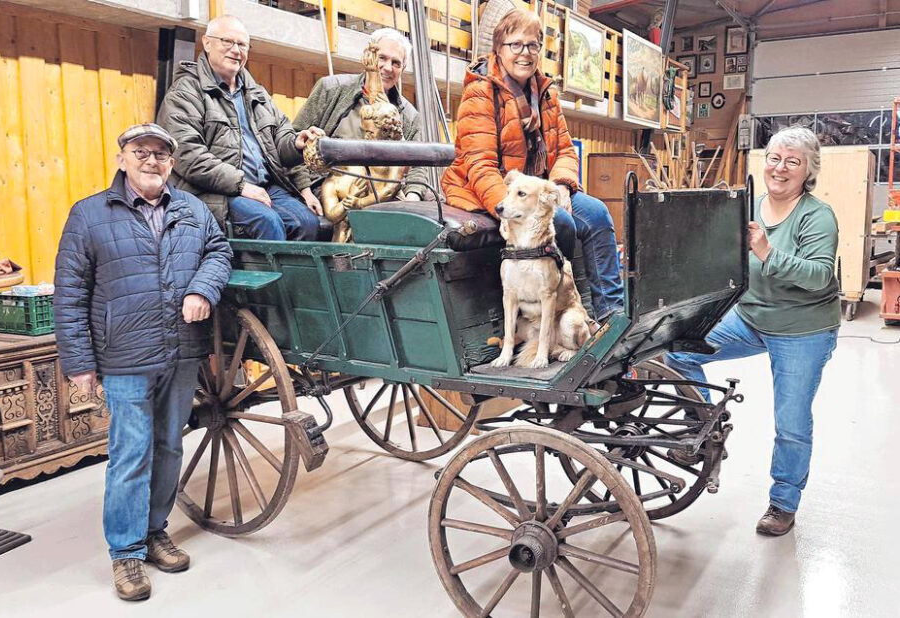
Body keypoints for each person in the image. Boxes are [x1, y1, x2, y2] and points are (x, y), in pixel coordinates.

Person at [54, 123, 232, 601]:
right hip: (124, 355)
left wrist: (202, 288)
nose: (151, 161)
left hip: (180, 350)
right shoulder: (89, 215)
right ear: (122, 159)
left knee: (170, 446)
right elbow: (70, 295)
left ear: (171, 163)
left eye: (160, 154)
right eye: (141, 152)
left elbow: (219, 252)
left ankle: (155, 531)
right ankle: (126, 554)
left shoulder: (192, 210)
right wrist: (79, 363)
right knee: (132, 454)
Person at [665, 126, 839, 537]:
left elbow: (819, 277)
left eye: (792, 162)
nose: (780, 168)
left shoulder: (817, 216)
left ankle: (783, 503)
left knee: (791, 421)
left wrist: (766, 251)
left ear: (807, 170)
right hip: (751, 318)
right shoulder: (752, 206)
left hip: (803, 329)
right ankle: (706, 428)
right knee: (680, 350)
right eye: (775, 158)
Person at [440, 8, 624, 321]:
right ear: (499, 48)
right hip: (491, 191)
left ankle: (611, 316)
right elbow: (480, 167)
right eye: (516, 45)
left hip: (538, 188)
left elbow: (565, 150)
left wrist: (563, 185)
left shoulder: (545, 93)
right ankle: (552, 314)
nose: (525, 53)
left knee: (596, 214)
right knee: (561, 223)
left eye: (533, 45)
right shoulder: (481, 91)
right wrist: (509, 206)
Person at [157, 15, 324, 239]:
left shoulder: (257, 93)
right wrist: (241, 185)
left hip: (263, 185)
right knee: (267, 222)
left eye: (242, 44)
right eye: (227, 41)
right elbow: (188, 155)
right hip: (213, 191)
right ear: (207, 43)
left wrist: (296, 144)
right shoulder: (185, 93)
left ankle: (291, 275)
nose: (236, 50)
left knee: (307, 223)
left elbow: (280, 136)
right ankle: (266, 275)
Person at [291, 27, 427, 201]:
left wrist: (413, 197)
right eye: (382, 58)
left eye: (396, 63)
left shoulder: (409, 116)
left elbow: (417, 165)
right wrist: (305, 189)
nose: (388, 68)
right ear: (369, 57)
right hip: (330, 187)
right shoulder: (330, 89)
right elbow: (294, 142)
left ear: (403, 68)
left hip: (383, 193)